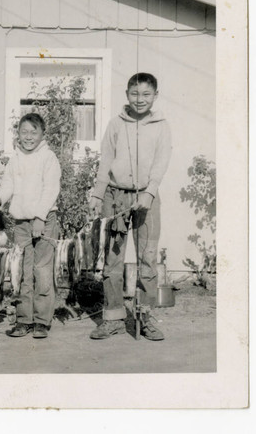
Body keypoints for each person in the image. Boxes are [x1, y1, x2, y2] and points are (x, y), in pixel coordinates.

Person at [88, 73, 172, 341]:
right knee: (113, 260)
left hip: (147, 199)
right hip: (115, 199)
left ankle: (145, 318)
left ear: (155, 96)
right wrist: (98, 195)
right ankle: (112, 318)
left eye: (146, 94)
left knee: (147, 259)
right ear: (127, 94)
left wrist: (149, 192)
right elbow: (105, 162)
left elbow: (161, 162)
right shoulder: (115, 124)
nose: (140, 100)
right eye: (135, 94)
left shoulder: (162, 126)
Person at [0, 112, 61, 339]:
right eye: (24, 132)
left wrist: (40, 217)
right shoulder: (15, 158)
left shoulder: (48, 157)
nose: (29, 137)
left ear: (42, 134)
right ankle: (24, 319)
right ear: (18, 134)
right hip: (21, 222)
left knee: (42, 270)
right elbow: (8, 184)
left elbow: (51, 189)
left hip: (44, 220)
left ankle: (42, 321)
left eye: (34, 132)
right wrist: (0, 199)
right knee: (22, 271)